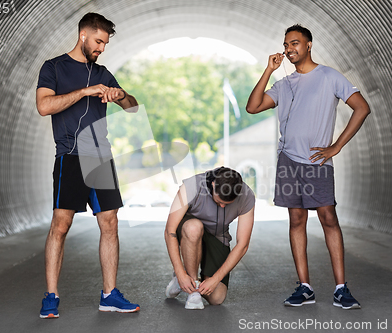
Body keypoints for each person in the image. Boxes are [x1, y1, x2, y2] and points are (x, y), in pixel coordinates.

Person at [246, 24, 370, 310]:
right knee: (297, 220)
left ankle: (341, 289)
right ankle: (305, 288)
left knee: (328, 217)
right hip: (288, 161)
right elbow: (252, 107)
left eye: (296, 43)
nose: (290, 48)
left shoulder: (329, 76)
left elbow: (362, 107)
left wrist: (336, 146)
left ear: (309, 45)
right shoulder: (283, 84)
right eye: (287, 44)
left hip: (317, 161)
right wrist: (268, 71)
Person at [36, 12, 140, 318]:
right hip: (69, 155)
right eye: (98, 42)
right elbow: (44, 106)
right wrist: (84, 91)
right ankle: (51, 295)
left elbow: (132, 108)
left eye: (105, 44)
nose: (101, 48)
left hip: (100, 157)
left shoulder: (104, 72)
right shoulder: (53, 67)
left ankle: (109, 294)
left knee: (110, 222)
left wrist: (121, 96)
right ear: (83, 35)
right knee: (61, 225)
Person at [164, 167, 255, 309]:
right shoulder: (191, 186)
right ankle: (191, 289)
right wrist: (180, 272)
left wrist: (215, 279)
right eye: (219, 201)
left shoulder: (247, 195)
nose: (223, 206)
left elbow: (242, 244)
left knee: (217, 297)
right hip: (190, 230)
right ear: (213, 184)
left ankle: (183, 283)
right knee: (194, 227)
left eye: (227, 204)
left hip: (218, 236)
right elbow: (170, 230)